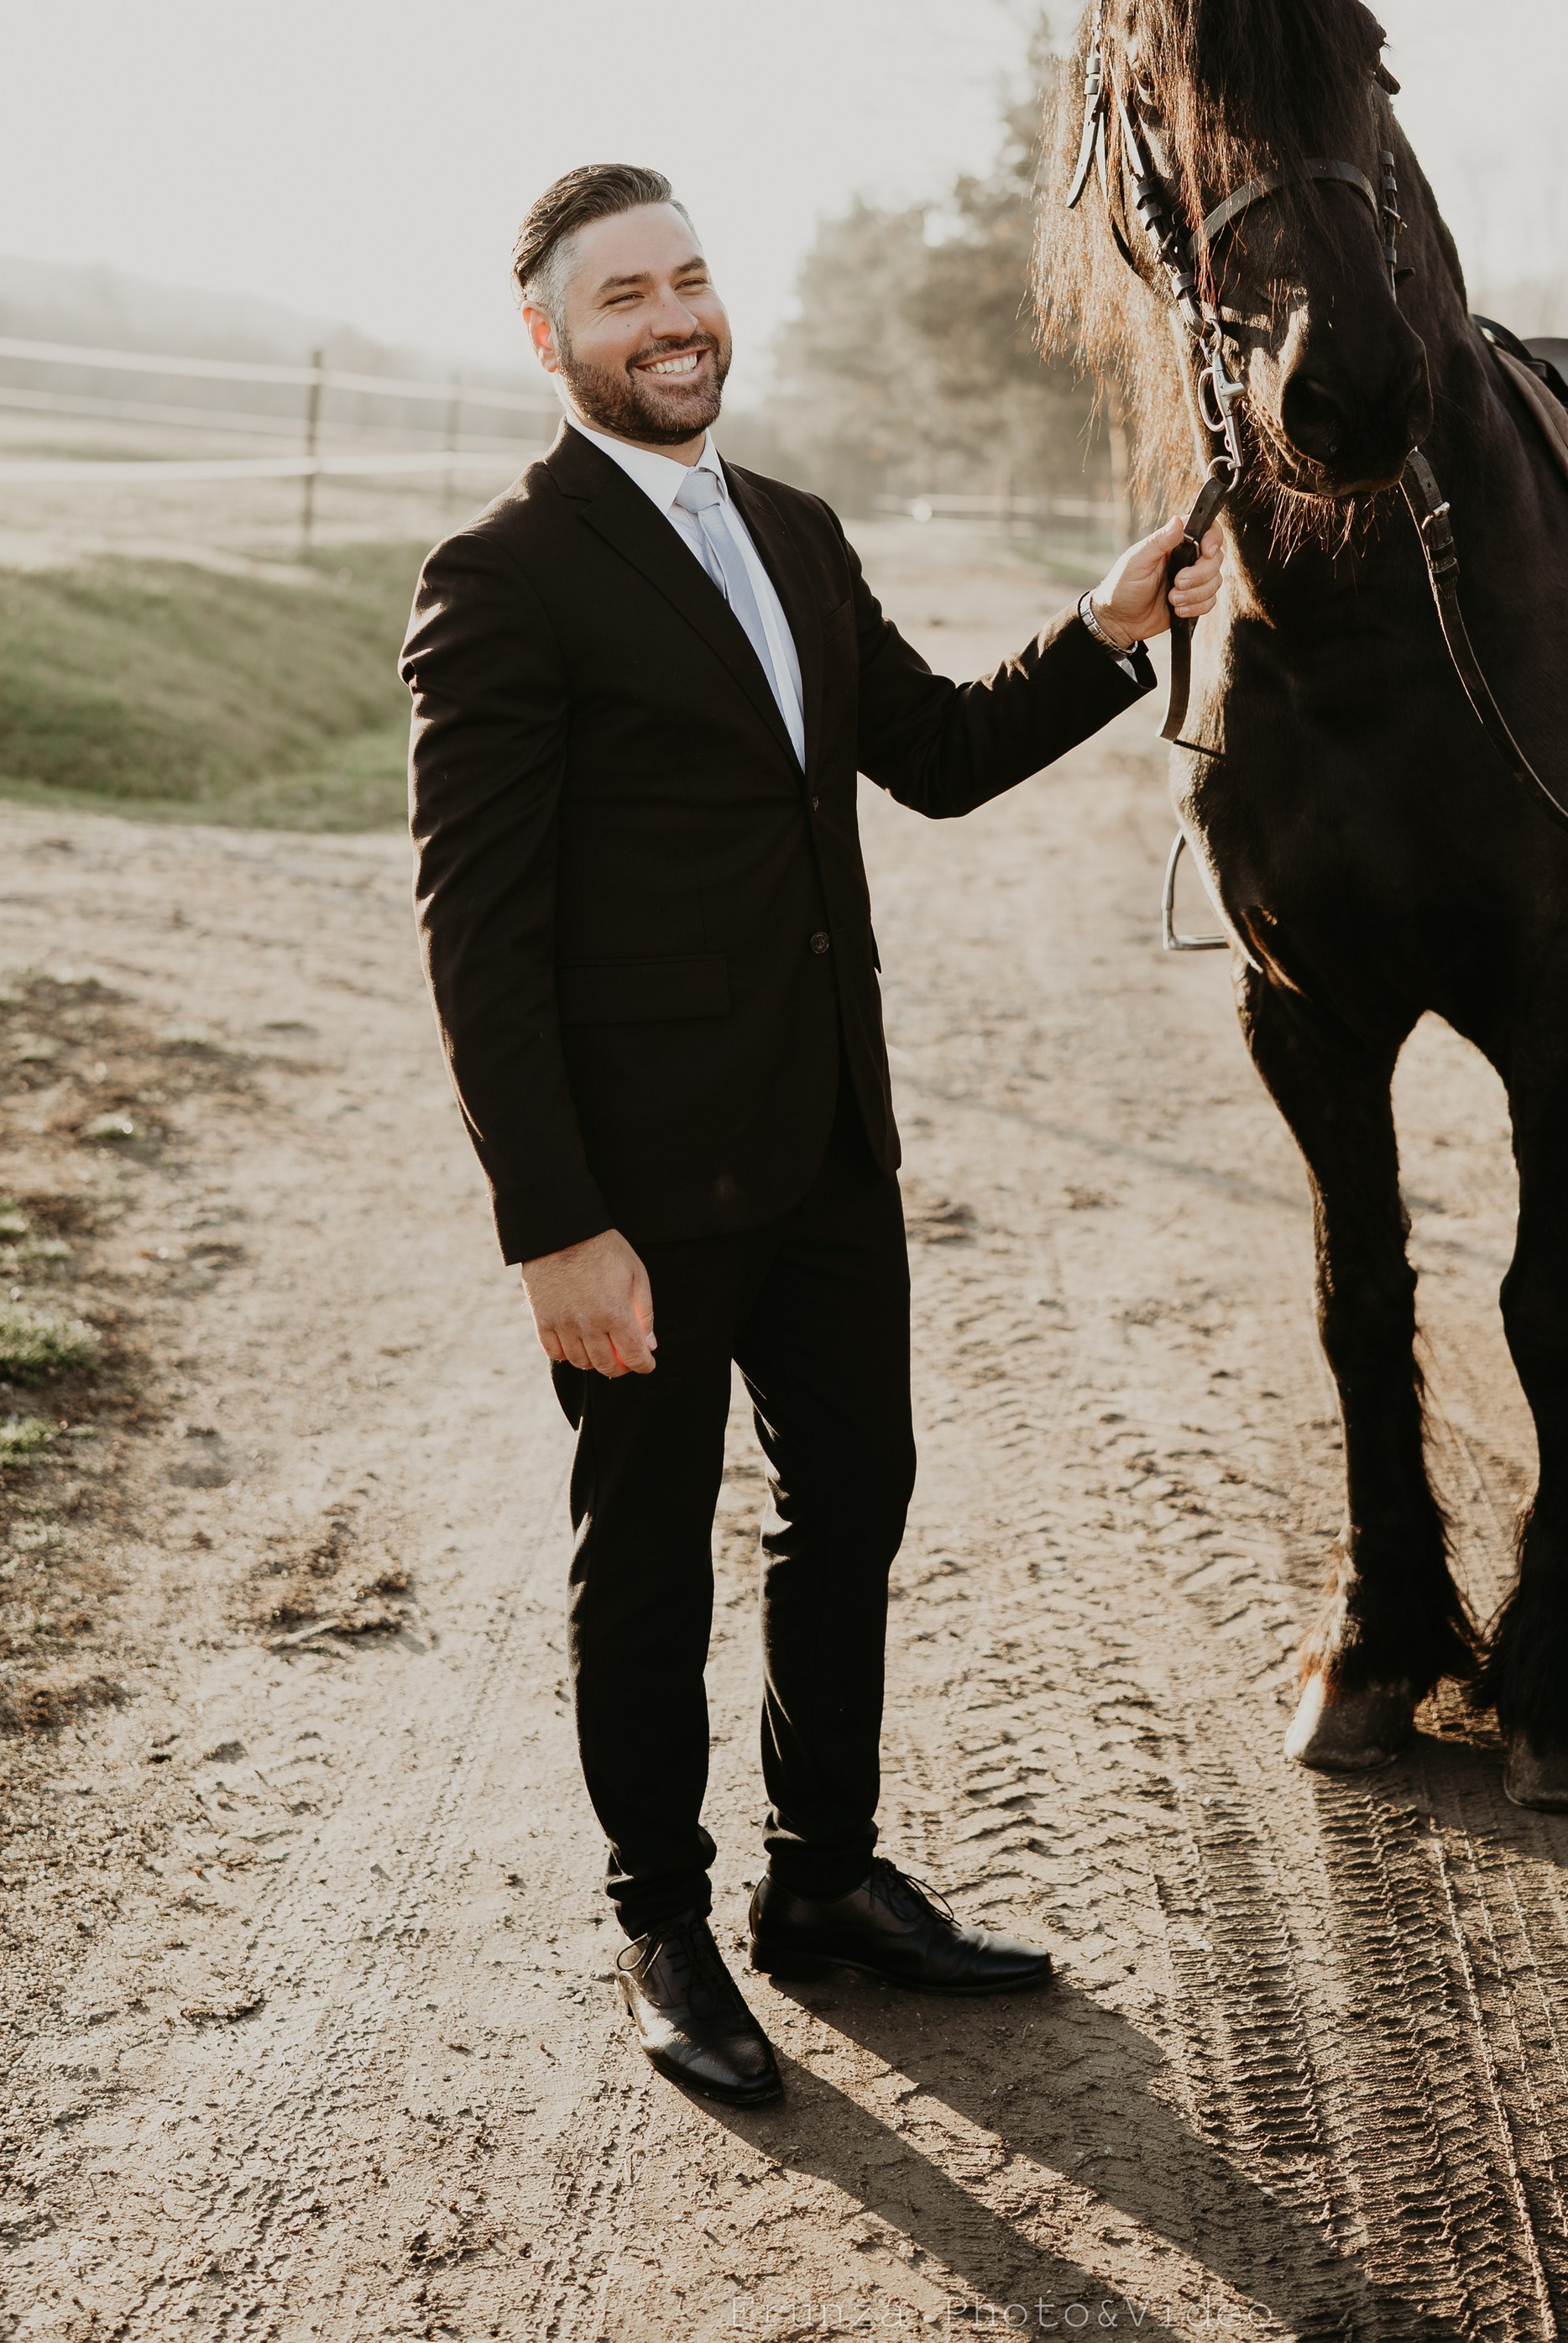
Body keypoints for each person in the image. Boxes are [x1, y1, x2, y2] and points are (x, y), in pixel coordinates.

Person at [400, 161, 1222, 2108]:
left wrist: (1104, 630)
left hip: (826, 1153)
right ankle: (664, 1924)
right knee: (649, 1558)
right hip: (635, 1192)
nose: (674, 319)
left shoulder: (790, 526)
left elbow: (929, 754)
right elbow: (477, 938)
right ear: (548, 338)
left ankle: (823, 1880)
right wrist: (552, 1226)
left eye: (690, 280)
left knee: (851, 1504)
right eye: (624, 298)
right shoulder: (501, 577)